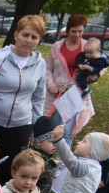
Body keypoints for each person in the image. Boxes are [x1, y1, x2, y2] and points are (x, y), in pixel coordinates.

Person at [0, 14, 47, 184]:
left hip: (20, 126)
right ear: (16, 34)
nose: (28, 40)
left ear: (38, 40)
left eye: (34, 37)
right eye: (25, 35)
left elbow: (38, 98)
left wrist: (35, 128)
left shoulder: (40, 64)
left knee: (11, 172)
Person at [44, 14, 103, 146]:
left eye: (80, 31)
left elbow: (103, 63)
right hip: (56, 93)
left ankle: (64, 158)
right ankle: (48, 154)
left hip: (75, 93)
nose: (77, 35)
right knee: (52, 128)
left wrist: (96, 75)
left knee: (67, 131)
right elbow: (48, 67)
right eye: (74, 31)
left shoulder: (88, 46)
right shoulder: (57, 46)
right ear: (68, 31)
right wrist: (51, 84)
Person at [29, 115, 59, 193]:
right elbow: (37, 171)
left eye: (57, 142)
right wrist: (52, 164)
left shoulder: (46, 156)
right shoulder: (31, 156)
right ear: (38, 142)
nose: (55, 145)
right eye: (51, 142)